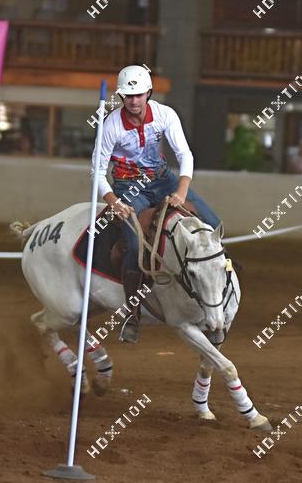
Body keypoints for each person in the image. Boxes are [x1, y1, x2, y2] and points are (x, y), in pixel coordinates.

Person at [93, 64, 223, 343]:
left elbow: (185, 155)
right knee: (134, 244)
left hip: (164, 179)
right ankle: (132, 314)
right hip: (128, 187)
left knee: (213, 224)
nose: (134, 101)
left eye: (139, 94)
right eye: (128, 96)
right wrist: (113, 201)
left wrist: (181, 191)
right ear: (121, 97)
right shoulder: (111, 125)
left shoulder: (165, 115)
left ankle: (216, 296)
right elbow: (97, 171)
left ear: (149, 93)